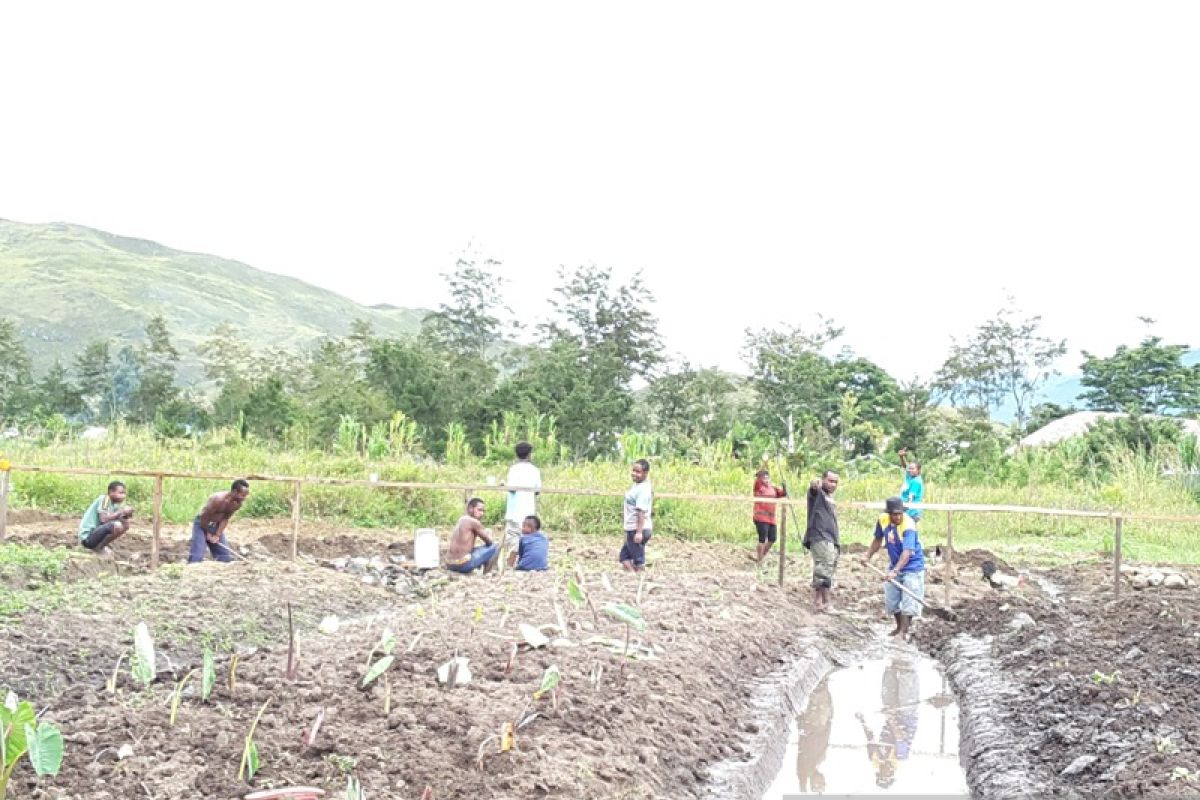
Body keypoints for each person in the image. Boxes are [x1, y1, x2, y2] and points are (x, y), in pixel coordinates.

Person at [862, 496, 926, 641]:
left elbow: (907, 552)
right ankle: (898, 627)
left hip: (912, 566)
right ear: (888, 514)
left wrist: (895, 571)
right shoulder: (883, 520)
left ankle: (904, 632)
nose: (897, 517)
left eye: (899, 514)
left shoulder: (908, 525)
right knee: (892, 600)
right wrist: (868, 555)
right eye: (894, 514)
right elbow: (878, 539)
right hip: (895, 564)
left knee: (909, 600)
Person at [804, 470, 841, 613]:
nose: (833, 484)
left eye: (835, 482)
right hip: (819, 535)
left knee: (826, 568)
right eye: (830, 481)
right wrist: (815, 484)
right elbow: (813, 487)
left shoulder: (829, 497)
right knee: (824, 568)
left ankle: (818, 602)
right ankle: (827, 603)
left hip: (831, 537)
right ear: (823, 480)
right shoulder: (817, 493)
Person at [189, 479, 250, 564]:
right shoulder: (217, 499)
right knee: (197, 556)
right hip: (202, 524)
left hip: (215, 525)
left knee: (225, 558)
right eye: (242, 495)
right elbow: (204, 517)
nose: (244, 498)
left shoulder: (237, 504)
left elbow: (225, 519)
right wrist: (208, 533)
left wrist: (217, 535)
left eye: (245, 495)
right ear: (235, 491)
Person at [503, 441, 542, 567]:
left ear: (517, 454)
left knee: (513, 539)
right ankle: (526, 563)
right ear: (529, 454)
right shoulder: (535, 470)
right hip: (528, 511)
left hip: (514, 510)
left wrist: (504, 485)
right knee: (528, 539)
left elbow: (512, 488)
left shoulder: (514, 469)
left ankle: (510, 565)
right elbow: (537, 490)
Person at [78, 480, 134, 556]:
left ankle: (100, 547)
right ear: (111, 492)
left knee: (124, 525)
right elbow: (103, 519)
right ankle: (98, 548)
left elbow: (124, 524)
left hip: (95, 535)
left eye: (124, 493)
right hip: (87, 538)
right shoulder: (105, 499)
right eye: (120, 493)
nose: (123, 496)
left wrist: (126, 515)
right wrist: (120, 512)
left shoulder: (115, 505)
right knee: (117, 525)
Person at [445, 497, 500, 574]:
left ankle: (483, 569)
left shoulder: (461, 519)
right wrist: (488, 534)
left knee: (477, 549)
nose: (482, 513)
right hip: (462, 565)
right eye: (479, 510)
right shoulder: (474, 522)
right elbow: (489, 542)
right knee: (496, 546)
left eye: (483, 511)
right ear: (470, 508)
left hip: (449, 564)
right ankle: (487, 572)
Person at [620, 459, 653, 572]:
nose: (634, 474)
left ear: (645, 473)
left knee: (638, 560)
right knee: (624, 557)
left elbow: (641, 512)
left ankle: (640, 577)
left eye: (638, 472)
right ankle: (633, 576)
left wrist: (638, 532)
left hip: (638, 529)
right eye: (633, 470)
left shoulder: (642, 490)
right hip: (633, 528)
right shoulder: (637, 486)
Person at [752, 469, 787, 564]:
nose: (765, 479)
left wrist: (784, 486)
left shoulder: (773, 489)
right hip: (761, 516)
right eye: (763, 477)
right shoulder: (759, 487)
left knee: (772, 538)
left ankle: (761, 556)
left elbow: (783, 494)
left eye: (767, 477)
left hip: (771, 518)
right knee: (762, 539)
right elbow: (757, 480)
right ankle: (760, 561)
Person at [897, 448, 924, 524]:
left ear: (918, 470)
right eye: (910, 469)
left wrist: (900, 510)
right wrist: (901, 457)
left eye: (913, 469)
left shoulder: (916, 481)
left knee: (908, 532)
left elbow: (910, 499)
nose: (910, 470)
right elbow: (905, 466)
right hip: (907, 511)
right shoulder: (910, 476)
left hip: (912, 512)